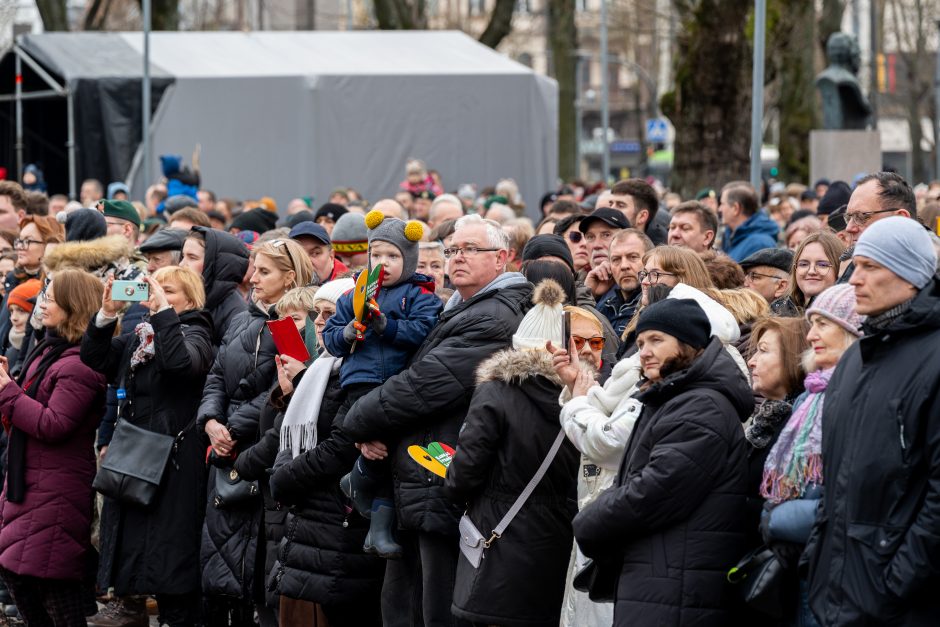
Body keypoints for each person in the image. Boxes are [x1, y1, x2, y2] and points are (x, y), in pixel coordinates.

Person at [341, 214, 532, 627]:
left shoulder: (494, 316)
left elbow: (423, 386)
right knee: (405, 605)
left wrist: (357, 422)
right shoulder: (459, 308)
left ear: (501, 259)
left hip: (442, 477)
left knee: (433, 610)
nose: (457, 258)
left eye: (470, 250)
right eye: (451, 250)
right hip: (421, 478)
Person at [553, 282, 742, 627]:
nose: (645, 352)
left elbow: (654, 489)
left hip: (677, 577)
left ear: (689, 345)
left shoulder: (702, 407)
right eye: (640, 343)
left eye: (657, 340)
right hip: (662, 571)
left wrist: (590, 520)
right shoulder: (673, 397)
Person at [807, 217, 940, 624]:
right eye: (855, 265)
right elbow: (838, 481)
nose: (854, 279)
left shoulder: (934, 359)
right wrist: (819, 554)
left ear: (910, 275)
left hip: (901, 598)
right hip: (839, 587)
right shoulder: (854, 360)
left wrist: (895, 580)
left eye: (871, 267)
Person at [80, 267, 213, 627]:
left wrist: (164, 314)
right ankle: (132, 603)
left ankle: (176, 615)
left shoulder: (198, 330)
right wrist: (107, 314)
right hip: (138, 456)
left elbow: (180, 364)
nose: (156, 294)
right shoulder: (143, 334)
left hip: (175, 460)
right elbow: (96, 359)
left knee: (169, 556)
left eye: (167, 289)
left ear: (190, 298)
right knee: (135, 545)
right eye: (153, 288)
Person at [444, 279, 579, 627]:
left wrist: (455, 488)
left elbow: (466, 469)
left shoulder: (496, 392)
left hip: (498, 532)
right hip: (559, 536)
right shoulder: (583, 398)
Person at [197, 238, 312, 627]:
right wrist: (210, 421)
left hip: (257, 451)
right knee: (225, 566)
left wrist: (230, 426)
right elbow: (215, 376)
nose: (253, 278)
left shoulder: (292, 324)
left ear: (290, 277)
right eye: (254, 269)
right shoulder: (241, 319)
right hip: (226, 446)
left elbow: (278, 391)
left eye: (264, 271)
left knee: (257, 564)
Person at [263, 278, 385, 626]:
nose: (319, 321)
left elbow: (340, 445)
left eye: (330, 313)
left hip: (335, 525)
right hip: (309, 524)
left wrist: (284, 479)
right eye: (317, 313)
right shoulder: (321, 369)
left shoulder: (356, 372)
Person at [326, 211, 442, 558]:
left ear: (408, 259)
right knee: (376, 445)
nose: (383, 263)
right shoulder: (354, 293)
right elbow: (331, 337)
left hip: (396, 383)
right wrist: (348, 333)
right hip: (361, 382)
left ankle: (373, 517)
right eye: (377, 255)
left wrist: (385, 326)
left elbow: (422, 331)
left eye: (393, 256)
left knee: (388, 453)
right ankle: (361, 485)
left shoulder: (419, 295)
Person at [0, 269, 107, 626]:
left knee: (51, 583)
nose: (41, 304)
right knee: (22, 578)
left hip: (56, 486)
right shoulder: (50, 349)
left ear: (73, 306)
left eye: (50, 297)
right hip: (32, 480)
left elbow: (54, 424)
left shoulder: (78, 363)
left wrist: (7, 390)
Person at [759, 284, 863, 625]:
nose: (810, 335)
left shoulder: (856, 395)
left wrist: (775, 518)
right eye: (811, 323)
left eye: (823, 324)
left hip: (836, 567)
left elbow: (842, 499)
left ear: (852, 330)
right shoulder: (810, 394)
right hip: (803, 561)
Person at [743, 316, 810, 549]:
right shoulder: (769, 418)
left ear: (794, 357)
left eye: (763, 351)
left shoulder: (802, 426)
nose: (751, 361)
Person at [838, 171, 917, 282]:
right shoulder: (850, 267)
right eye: (848, 217)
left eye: (861, 217)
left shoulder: (933, 280)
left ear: (901, 219)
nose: (849, 228)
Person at [181, 227, 249, 347]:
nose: (181, 264)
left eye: (192, 257)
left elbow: (229, 361)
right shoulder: (186, 297)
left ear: (215, 264)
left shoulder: (237, 313)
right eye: (183, 256)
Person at [594, 229, 653, 336]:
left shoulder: (654, 306)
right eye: (616, 259)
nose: (624, 266)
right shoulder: (603, 305)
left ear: (650, 260)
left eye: (633, 257)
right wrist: (591, 294)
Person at [771, 231, 844, 316]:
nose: (811, 271)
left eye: (822, 265)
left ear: (839, 269)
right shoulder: (777, 312)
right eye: (803, 264)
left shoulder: (845, 315)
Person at [719, 181, 779, 262]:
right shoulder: (731, 236)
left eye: (722, 204)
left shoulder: (760, 245)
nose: (719, 209)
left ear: (736, 208)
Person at [581, 208, 631, 298]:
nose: (596, 245)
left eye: (606, 235)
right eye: (590, 237)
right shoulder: (577, 282)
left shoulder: (644, 284)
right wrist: (589, 295)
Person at [603, 179, 669, 245]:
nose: (611, 209)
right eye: (611, 204)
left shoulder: (658, 253)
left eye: (620, 205)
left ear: (642, 216)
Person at [2, 280, 41, 376]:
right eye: (11, 311)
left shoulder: (42, 351)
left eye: (21, 310)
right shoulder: (10, 350)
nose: (14, 318)